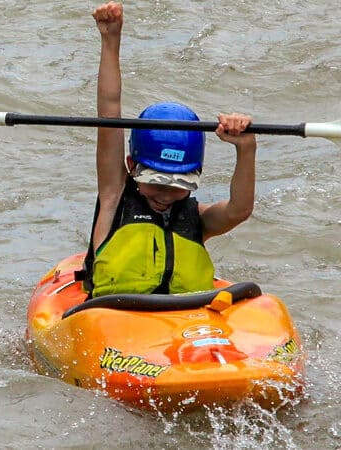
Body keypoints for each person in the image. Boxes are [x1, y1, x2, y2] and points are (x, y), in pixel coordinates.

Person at [81, 1, 257, 297]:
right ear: (132, 166)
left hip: (183, 325)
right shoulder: (114, 196)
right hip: (114, 318)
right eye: (156, 182)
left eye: (178, 185)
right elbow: (110, 113)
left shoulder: (199, 220)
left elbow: (239, 210)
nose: (165, 194)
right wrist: (111, 39)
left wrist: (246, 149)